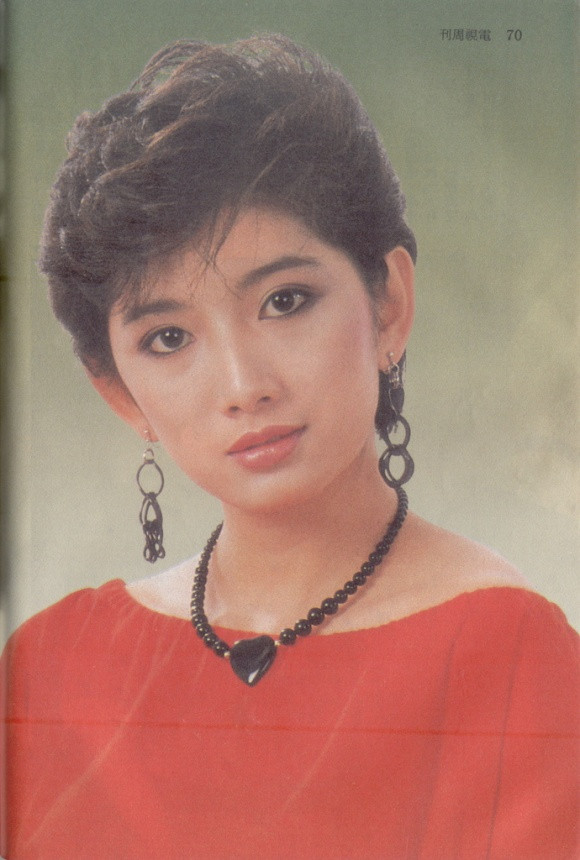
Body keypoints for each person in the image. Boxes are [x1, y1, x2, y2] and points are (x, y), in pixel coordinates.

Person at [1, 35, 578, 859]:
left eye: (285, 300)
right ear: (121, 395)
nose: (244, 385)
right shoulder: (51, 667)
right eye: (169, 338)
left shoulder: (509, 655)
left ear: (388, 306)